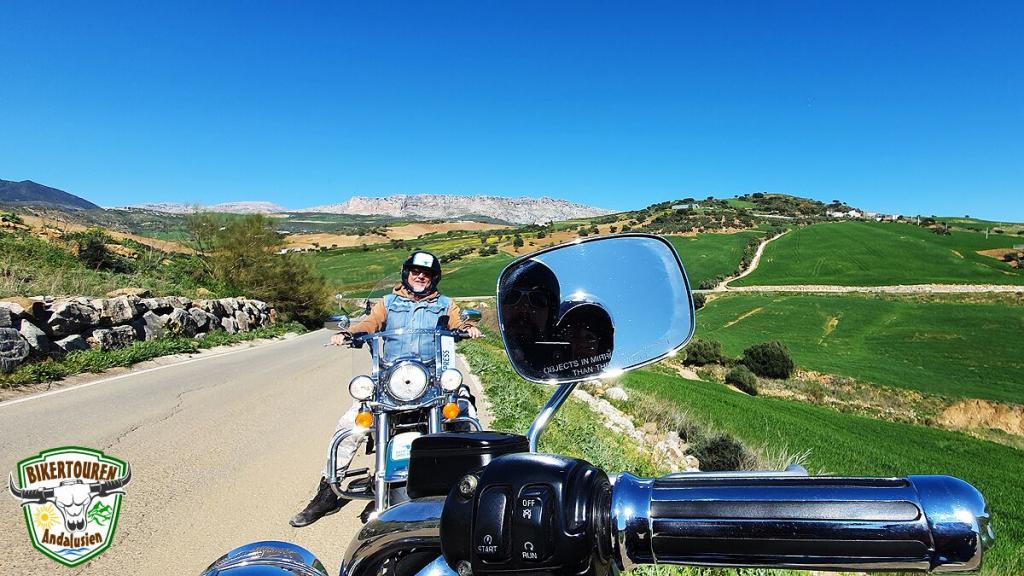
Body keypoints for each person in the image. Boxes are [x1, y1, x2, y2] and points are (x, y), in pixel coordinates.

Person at [290, 251, 482, 527]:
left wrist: (467, 327)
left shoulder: (444, 304)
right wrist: (350, 333)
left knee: (466, 416)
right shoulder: (388, 303)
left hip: (432, 379)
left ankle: (472, 487)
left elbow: (458, 322)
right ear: (406, 274)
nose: (420, 276)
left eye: (426, 273)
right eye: (415, 271)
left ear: (433, 278)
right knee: (350, 426)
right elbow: (370, 323)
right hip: (390, 381)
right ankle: (328, 492)